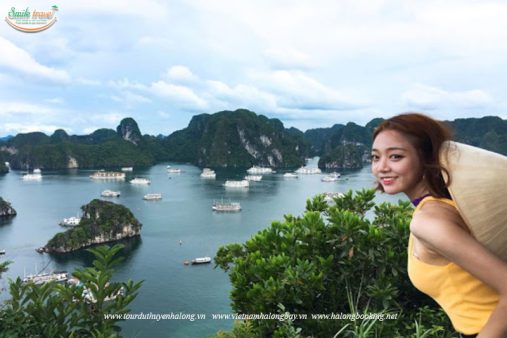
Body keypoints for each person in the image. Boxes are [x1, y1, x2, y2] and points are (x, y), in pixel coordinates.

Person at [370, 113, 507, 337]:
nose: (381, 167)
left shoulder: (429, 221)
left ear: (425, 159)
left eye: (395, 157)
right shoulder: (449, 205)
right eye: (375, 157)